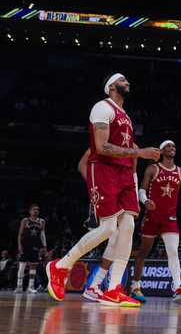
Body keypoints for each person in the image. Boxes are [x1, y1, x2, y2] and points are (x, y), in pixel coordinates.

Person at [45, 73, 160, 306]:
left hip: (125, 173)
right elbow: (101, 147)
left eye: (128, 80)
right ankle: (60, 266)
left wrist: (135, 160)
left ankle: (113, 288)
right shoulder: (102, 107)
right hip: (105, 169)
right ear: (111, 87)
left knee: (127, 226)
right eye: (123, 81)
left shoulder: (126, 116)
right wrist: (139, 153)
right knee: (108, 229)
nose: (128, 83)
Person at [130, 140, 181, 303]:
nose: (172, 148)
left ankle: (178, 287)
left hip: (169, 217)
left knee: (172, 250)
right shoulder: (153, 168)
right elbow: (142, 190)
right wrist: (145, 202)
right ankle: (135, 286)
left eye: (173, 146)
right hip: (151, 216)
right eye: (168, 146)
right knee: (144, 251)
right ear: (160, 151)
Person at [77, 148, 121, 302]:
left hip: (115, 195)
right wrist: (92, 185)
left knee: (116, 238)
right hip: (102, 195)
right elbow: (81, 164)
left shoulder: (123, 146)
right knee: (110, 234)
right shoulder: (97, 145)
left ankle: (95, 286)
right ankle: (64, 266)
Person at [16, 204, 46, 293]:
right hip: (25, 245)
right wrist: (19, 245)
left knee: (33, 267)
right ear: (30, 211)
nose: (36, 211)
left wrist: (44, 246)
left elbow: (42, 235)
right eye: (34, 209)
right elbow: (20, 234)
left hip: (35, 246)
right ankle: (19, 286)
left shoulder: (42, 221)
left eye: (37, 210)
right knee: (22, 266)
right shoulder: (25, 220)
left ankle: (31, 287)